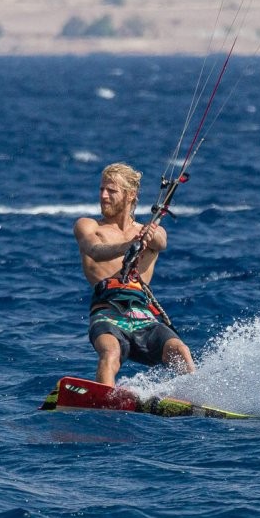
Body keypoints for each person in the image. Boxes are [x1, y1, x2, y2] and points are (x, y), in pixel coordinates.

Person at [74, 162, 195, 387]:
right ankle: (104, 403)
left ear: (130, 195)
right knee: (110, 353)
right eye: (101, 189)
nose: (103, 196)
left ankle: (198, 396)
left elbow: (161, 241)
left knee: (180, 350)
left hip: (142, 316)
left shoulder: (149, 233)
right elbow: (94, 251)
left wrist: (151, 236)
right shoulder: (89, 226)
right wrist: (126, 246)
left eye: (111, 191)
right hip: (107, 312)